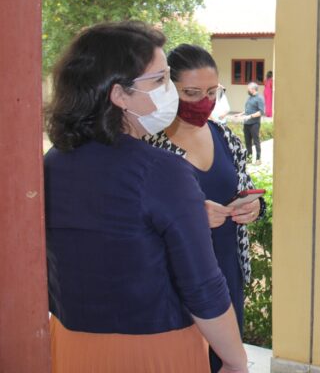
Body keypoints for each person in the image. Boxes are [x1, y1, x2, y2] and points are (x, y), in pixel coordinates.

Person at [43, 21, 248, 373]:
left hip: (70, 344)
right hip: (154, 350)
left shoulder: (53, 162)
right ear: (119, 95)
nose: (170, 91)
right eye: (159, 81)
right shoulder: (162, 171)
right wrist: (234, 360)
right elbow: (203, 287)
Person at [145, 44, 265, 373]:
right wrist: (189, 219)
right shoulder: (148, 144)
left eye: (212, 92)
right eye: (192, 93)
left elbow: (244, 187)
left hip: (227, 273)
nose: (204, 102)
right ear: (168, 90)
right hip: (174, 281)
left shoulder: (226, 136)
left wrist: (255, 207)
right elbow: (134, 222)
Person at [241, 81, 264, 165]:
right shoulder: (249, 97)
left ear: (253, 89)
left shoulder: (259, 98)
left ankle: (258, 159)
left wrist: (250, 116)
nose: (247, 90)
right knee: (248, 142)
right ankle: (249, 158)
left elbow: (261, 112)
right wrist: (240, 114)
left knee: (256, 141)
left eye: (248, 89)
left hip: (254, 124)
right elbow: (248, 110)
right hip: (246, 123)